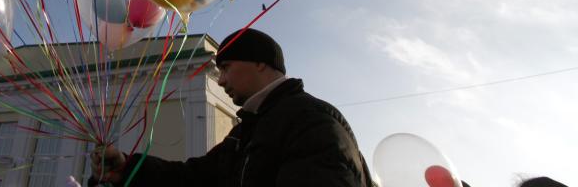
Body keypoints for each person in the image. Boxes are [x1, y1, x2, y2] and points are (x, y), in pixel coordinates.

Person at [90, 28, 375, 186]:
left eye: (226, 67)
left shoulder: (311, 121)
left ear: (260, 62)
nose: (222, 80)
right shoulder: (247, 131)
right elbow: (195, 178)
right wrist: (128, 168)